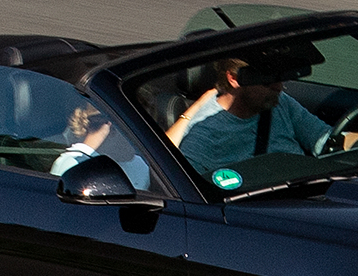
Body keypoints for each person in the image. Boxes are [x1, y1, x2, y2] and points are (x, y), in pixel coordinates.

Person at [168, 54, 335, 183]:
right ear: (234, 78)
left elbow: (326, 140)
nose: (278, 87)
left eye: (279, 78)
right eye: (267, 81)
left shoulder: (280, 102)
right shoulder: (203, 136)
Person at [50, 102, 151, 189]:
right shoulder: (72, 164)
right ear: (107, 127)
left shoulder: (140, 165)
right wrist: (90, 144)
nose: (140, 136)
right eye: (131, 127)